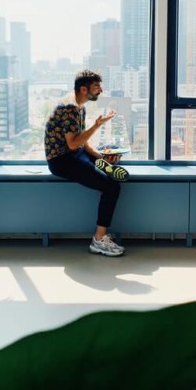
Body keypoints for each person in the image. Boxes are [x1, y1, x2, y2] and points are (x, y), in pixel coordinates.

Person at [44, 69, 125, 257]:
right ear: (83, 89)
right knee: (112, 187)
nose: (101, 90)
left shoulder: (79, 105)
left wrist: (100, 157)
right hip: (62, 161)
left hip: (74, 154)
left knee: (111, 163)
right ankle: (98, 240)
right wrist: (97, 125)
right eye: (96, 87)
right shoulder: (70, 107)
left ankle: (106, 165)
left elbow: (82, 142)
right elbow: (73, 144)